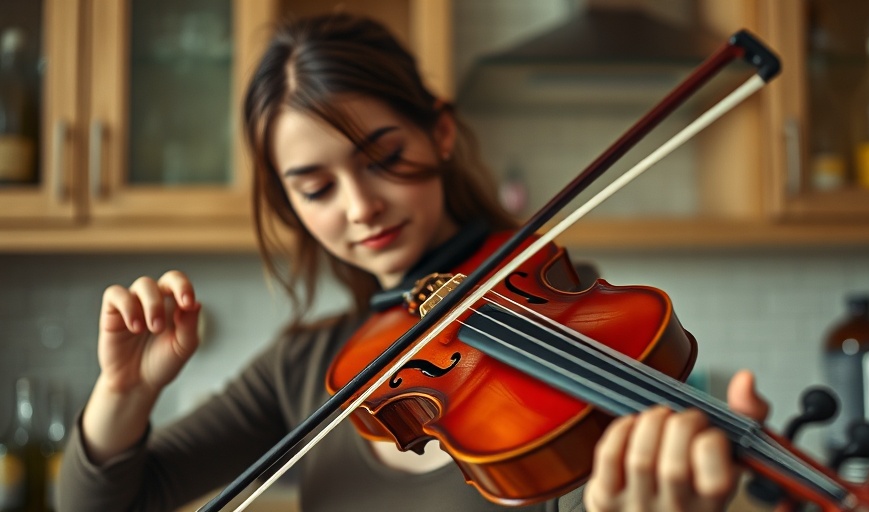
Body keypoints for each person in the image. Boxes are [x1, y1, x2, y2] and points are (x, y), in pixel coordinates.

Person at [57, 12, 768, 512]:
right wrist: (125, 390)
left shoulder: (575, 314)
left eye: (385, 159)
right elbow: (106, 502)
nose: (360, 206)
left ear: (443, 134)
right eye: (315, 187)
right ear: (289, 203)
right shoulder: (305, 369)